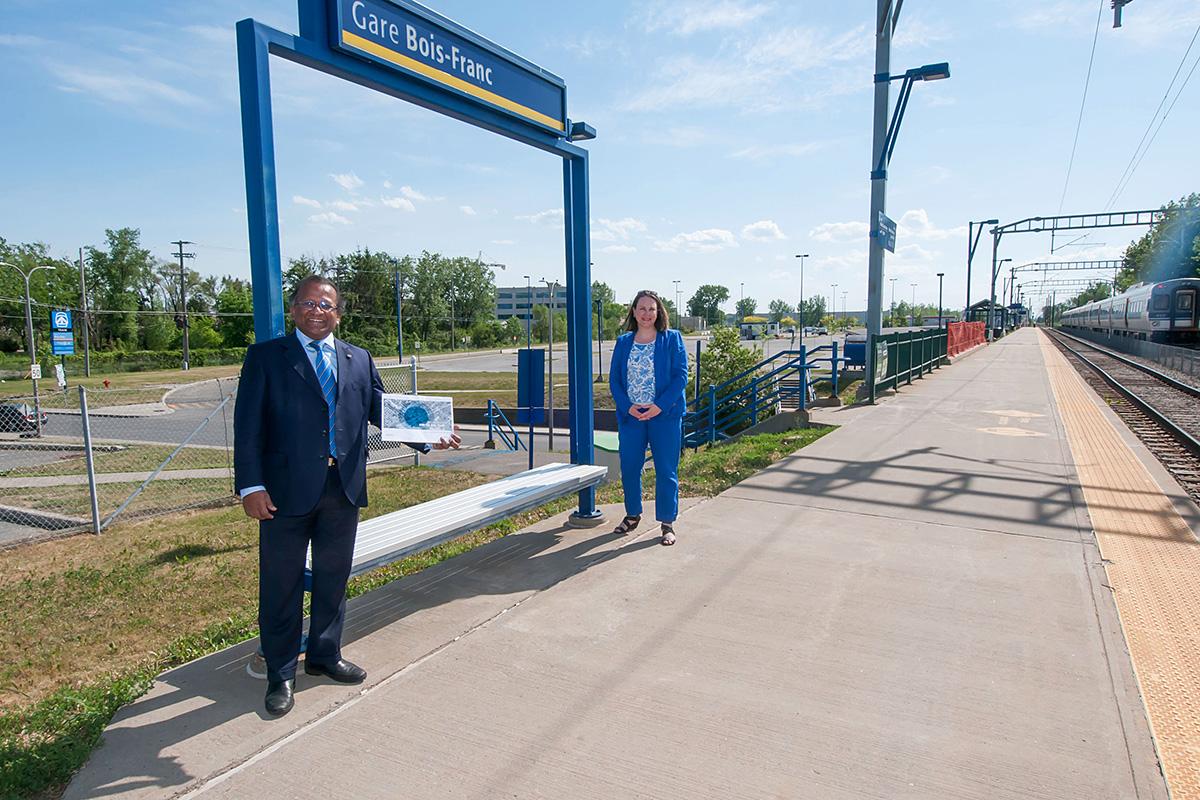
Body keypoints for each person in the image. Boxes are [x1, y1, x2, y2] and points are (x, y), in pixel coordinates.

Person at [234, 275, 460, 717]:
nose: (317, 311)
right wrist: (251, 486)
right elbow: (248, 427)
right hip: (283, 494)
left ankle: (323, 654)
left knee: (334, 579)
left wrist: (430, 434)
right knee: (280, 584)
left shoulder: (358, 358)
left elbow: (380, 408)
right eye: (307, 303)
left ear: (339, 312)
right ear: (293, 309)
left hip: (344, 487)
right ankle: (281, 672)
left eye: (326, 304)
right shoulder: (266, 358)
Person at [608, 290, 689, 546]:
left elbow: (681, 377)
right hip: (631, 416)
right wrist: (627, 406)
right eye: (641, 308)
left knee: (666, 470)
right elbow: (614, 380)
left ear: (659, 312)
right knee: (630, 467)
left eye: (651, 309)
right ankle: (633, 514)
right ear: (633, 311)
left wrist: (659, 406)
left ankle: (667, 523)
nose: (646, 314)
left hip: (664, 417)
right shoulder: (623, 342)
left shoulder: (672, 339)